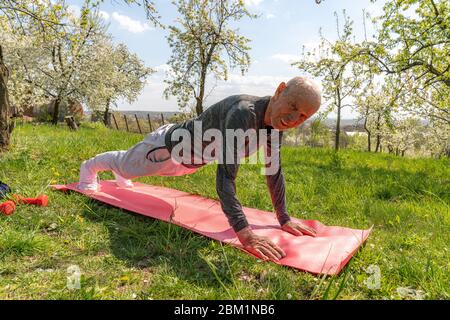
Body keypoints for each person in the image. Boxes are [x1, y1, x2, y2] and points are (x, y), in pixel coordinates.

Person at [78, 76, 321, 261]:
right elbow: (226, 177)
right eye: (292, 106)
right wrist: (245, 233)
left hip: (190, 162)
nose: (293, 119)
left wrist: (284, 218)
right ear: (279, 91)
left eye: (302, 116)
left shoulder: (275, 128)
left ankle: (121, 174)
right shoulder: (243, 113)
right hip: (166, 148)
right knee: (126, 165)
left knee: (131, 170)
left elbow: (273, 171)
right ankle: (88, 167)